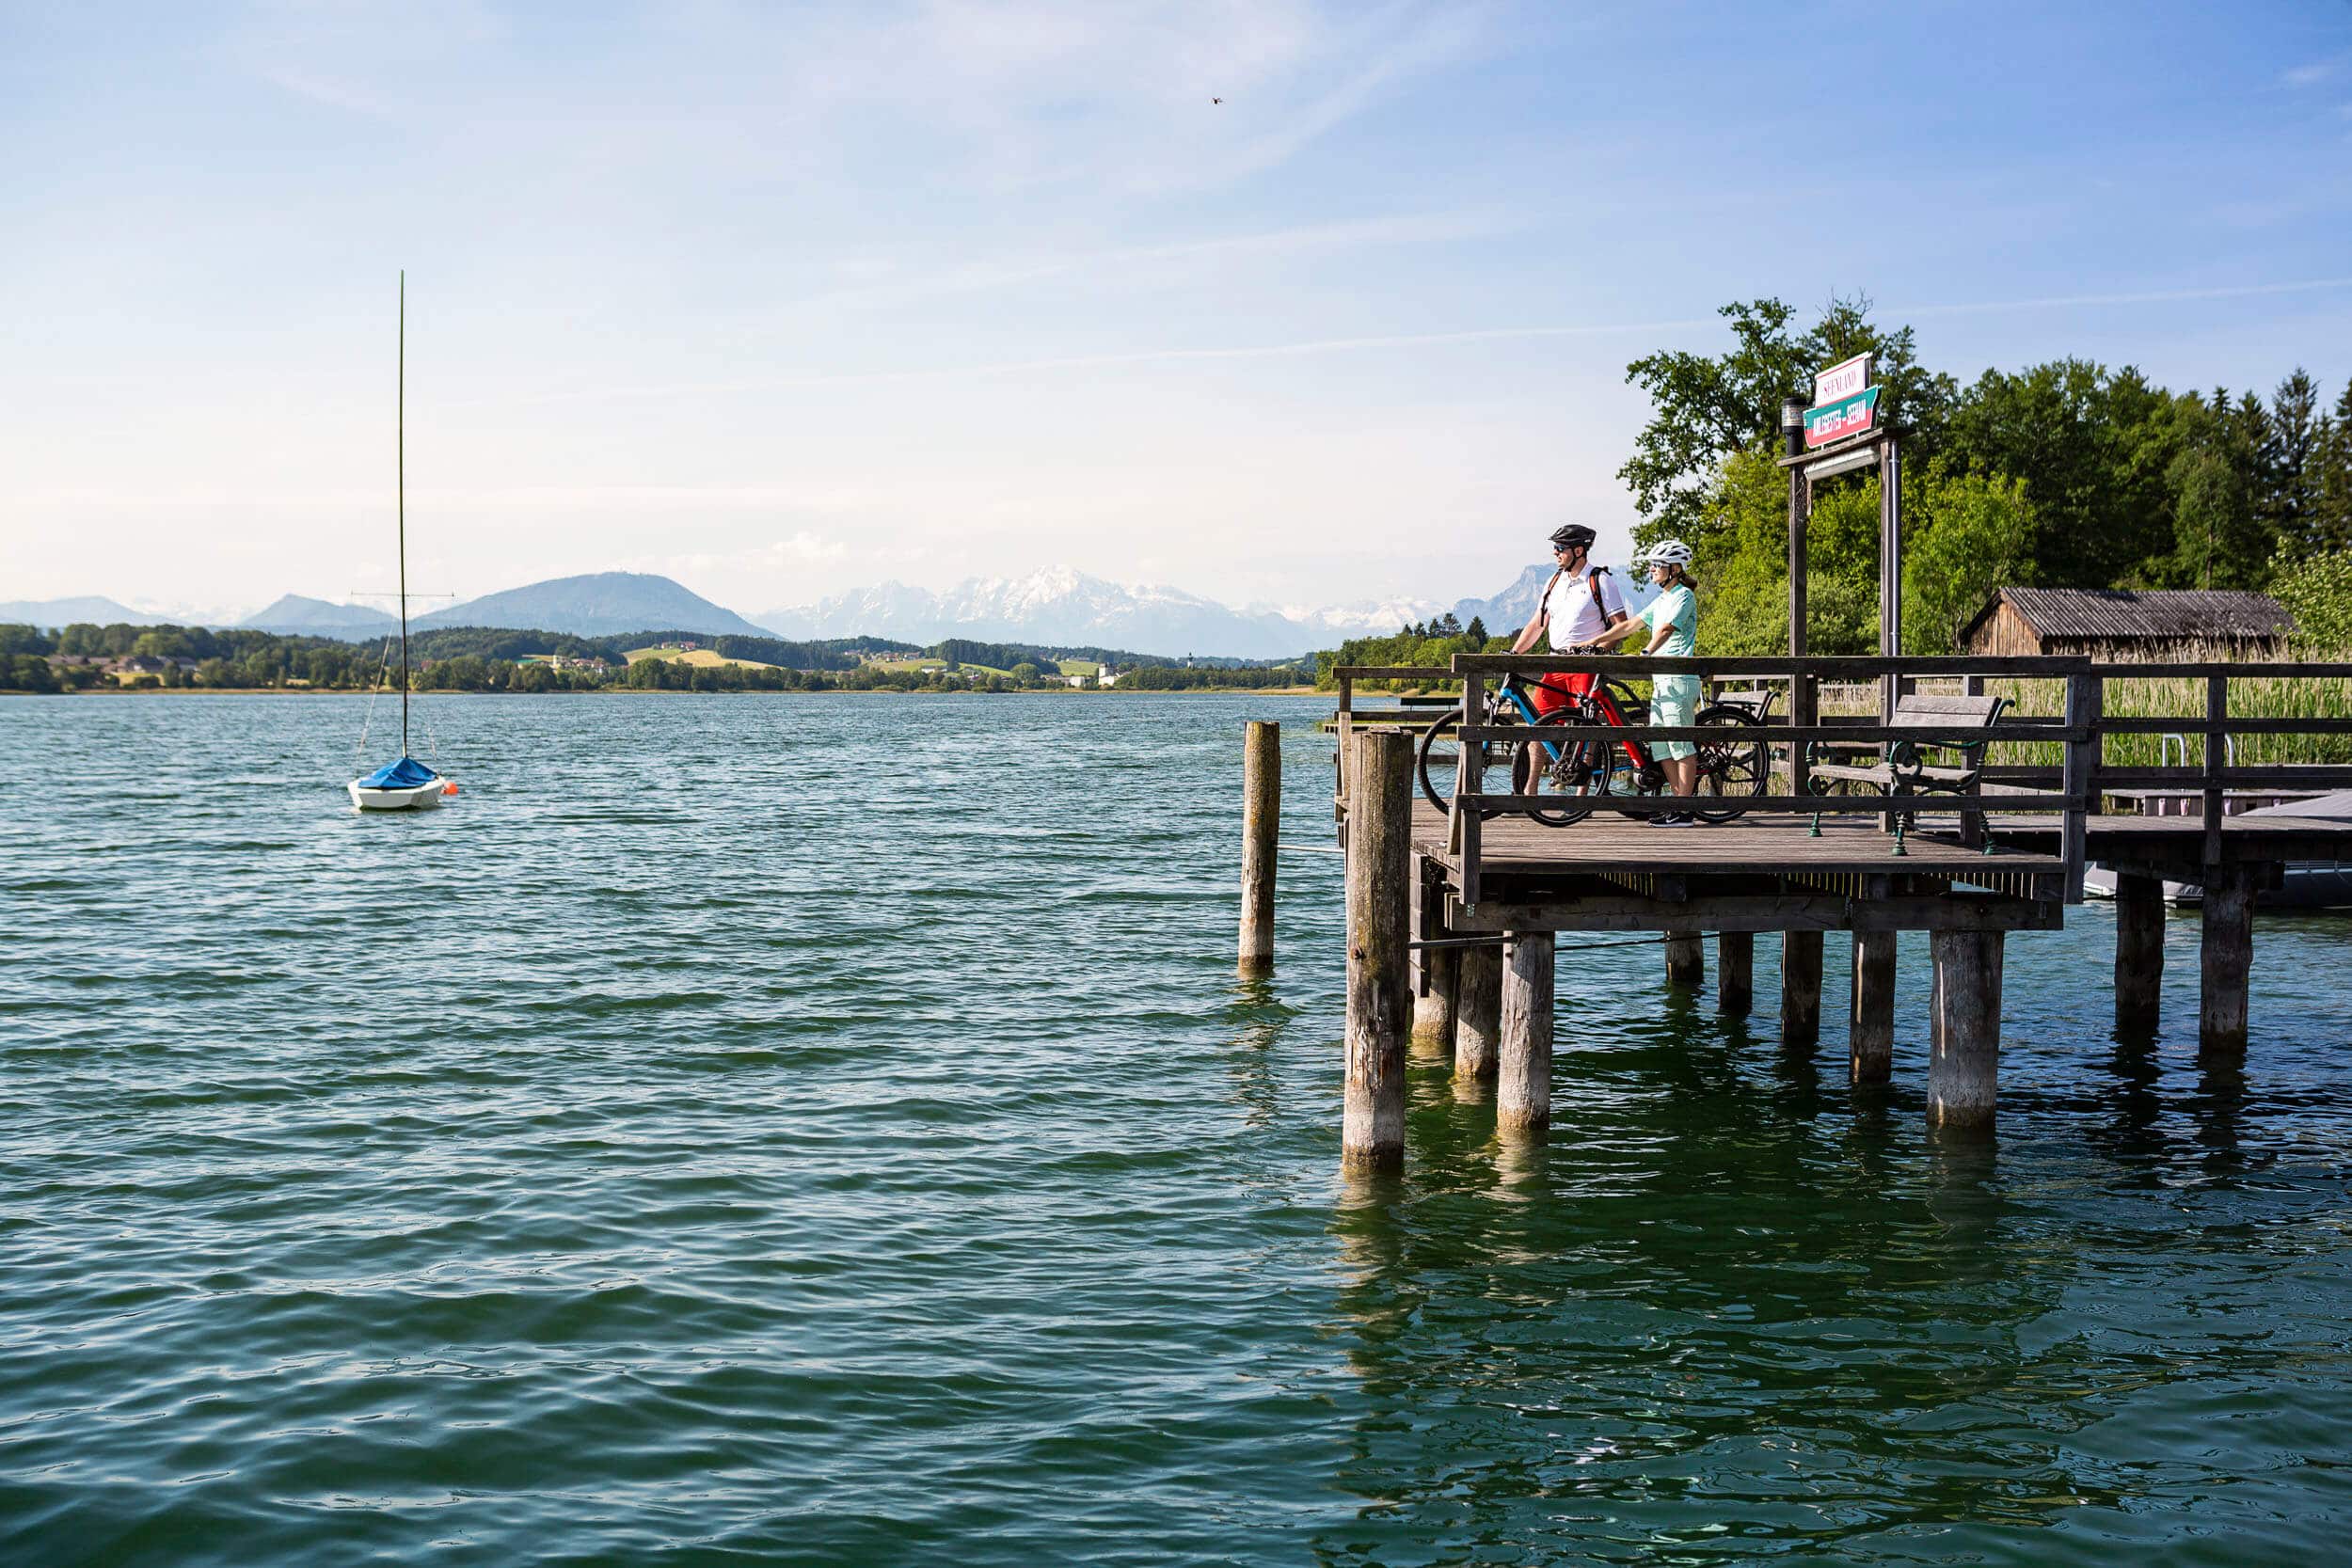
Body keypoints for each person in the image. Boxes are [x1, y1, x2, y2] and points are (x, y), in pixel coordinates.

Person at [1577, 539, 1701, 826]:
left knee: (1680, 744)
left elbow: (1668, 629)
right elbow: (1630, 624)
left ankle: (1686, 808)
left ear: (1674, 568)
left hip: (1679, 678)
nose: (1652, 570)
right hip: (1662, 680)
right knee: (1661, 746)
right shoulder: (1663, 598)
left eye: (1657, 565)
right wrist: (1594, 640)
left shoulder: (1684, 596)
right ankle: (1678, 803)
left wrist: (1645, 652)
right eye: (1652, 565)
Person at [1510, 523, 1628, 720]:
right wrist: (1513, 653)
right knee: (1537, 728)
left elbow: (1622, 626)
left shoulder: (1600, 580)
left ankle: (1593, 752)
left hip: (1585, 667)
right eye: (1555, 547)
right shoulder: (1554, 581)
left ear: (1579, 550)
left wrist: (1599, 651)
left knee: (1586, 730)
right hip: (1554, 665)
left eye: (1560, 548)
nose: (1555, 552)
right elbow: (1537, 624)